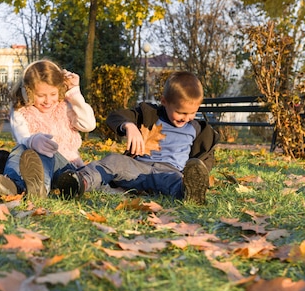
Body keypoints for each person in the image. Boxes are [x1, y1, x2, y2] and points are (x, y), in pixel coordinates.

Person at [55, 71, 218, 205]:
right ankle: (81, 182)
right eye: (181, 112)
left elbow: (205, 157)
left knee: (178, 181)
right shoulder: (149, 114)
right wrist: (129, 126)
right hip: (138, 167)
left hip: (170, 172)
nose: (186, 117)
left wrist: (198, 171)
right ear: (164, 102)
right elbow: (114, 116)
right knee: (114, 161)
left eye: (192, 113)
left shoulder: (198, 129)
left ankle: (190, 193)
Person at [0, 59, 96, 198]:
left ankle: (41, 187)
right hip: (33, 164)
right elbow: (22, 137)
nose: (48, 101)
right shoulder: (21, 111)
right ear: (28, 93)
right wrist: (32, 140)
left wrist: (75, 93)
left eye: (53, 94)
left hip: (64, 167)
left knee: (45, 150)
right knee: (20, 148)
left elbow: (88, 125)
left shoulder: (66, 106)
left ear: (60, 90)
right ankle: (10, 184)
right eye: (41, 96)